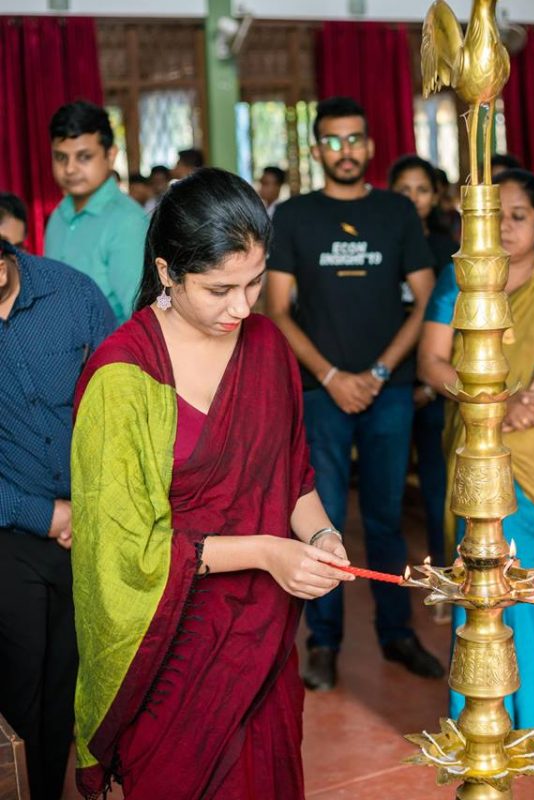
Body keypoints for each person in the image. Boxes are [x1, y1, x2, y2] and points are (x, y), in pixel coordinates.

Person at [70, 167, 353, 799]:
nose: (242, 307)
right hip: (172, 644)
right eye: (220, 289)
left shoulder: (268, 346)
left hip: (260, 636)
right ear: (167, 273)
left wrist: (321, 536)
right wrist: (266, 551)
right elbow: (124, 552)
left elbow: (293, 477)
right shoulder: (124, 378)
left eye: (255, 282)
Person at [266, 96, 443, 692]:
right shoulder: (294, 216)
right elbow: (277, 310)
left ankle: (398, 634)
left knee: (387, 518)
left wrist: (378, 371)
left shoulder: (396, 211)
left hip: (389, 391)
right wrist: (334, 378)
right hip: (321, 393)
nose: (344, 151)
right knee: (324, 524)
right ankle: (324, 642)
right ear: (317, 149)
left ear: (369, 145)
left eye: (354, 139)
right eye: (333, 141)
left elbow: (427, 300)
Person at [419, 168, 534, 743]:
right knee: (484, 575)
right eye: (495, 215)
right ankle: (482, 715)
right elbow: (431, 361)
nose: (505, 227)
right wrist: (495, 402)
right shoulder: (458, 280)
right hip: (479, 441)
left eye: (519, 216)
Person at [0, 238, 115, 800]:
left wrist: (93, 506)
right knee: (19, 683)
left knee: (69, 682)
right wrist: (44, 515)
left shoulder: (73, 295)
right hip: (11, 530)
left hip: (92, 526)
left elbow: (122, 404)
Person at [388, 154, 458, 572]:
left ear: (436, 196)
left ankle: (448, 575)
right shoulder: (382, 241)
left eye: (423, 190)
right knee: (388, 492)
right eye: (405, 190)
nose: (414, 198)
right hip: (388, 383)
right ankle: (399, 578)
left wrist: (431, 385)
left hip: (435, 387)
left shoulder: (447, 250)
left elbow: (459, 327)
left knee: (439, 487)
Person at [45, 100, 148, 324]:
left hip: (111, 347)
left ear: (110, 156)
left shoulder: (128, 222)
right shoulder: (58, 217)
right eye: (61, 157)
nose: (70, 168)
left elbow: (141, 319)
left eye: (84, 157)